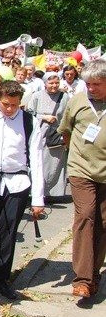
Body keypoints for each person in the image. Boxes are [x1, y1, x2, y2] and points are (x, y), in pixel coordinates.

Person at [0, 80, 45, 299]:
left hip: (17, 183)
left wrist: (38, 198)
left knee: (8, 231)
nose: (9, 109)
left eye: (14, 105)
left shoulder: (30, 122)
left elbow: (37, 158)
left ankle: (0, 277)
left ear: (20, 102)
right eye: (5, 104)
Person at [57, 59, 106, 298]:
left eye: (97, 84)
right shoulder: (77, 101)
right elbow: (65, 132)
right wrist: (75, 157)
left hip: (105, 174)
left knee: (102, 223)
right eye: (88, 84)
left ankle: (94, 275)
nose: (92, 88)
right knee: (85, 215)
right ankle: (83, 280)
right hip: (81, 170)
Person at [26, 72, 69, 199]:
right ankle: (38, 191)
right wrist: (43, 117)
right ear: (45, 83)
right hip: (40, 133)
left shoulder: (64, 97)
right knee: (39, 162)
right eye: (51, 83)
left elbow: (68, 115)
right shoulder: (37, 96)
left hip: (56, 134)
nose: (54, 85)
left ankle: (50, 192)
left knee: (53, 164)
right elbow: (29, 114)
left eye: (56, 83)